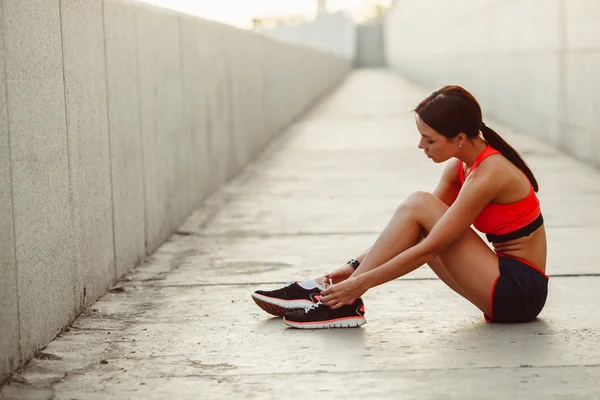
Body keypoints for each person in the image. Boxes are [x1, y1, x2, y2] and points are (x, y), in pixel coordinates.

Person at [251, 85, 548, 329]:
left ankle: (344, 299)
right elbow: (411, 231)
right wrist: (347, 271)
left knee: (419, 203)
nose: (421, 145)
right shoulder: (461, 166)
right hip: (499, 285)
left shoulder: (490, 172)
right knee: (418, 214)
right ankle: (327, 285)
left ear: (459, 138)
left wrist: (359, 283)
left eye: (429, 139)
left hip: (520, 292)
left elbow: (432, 247)